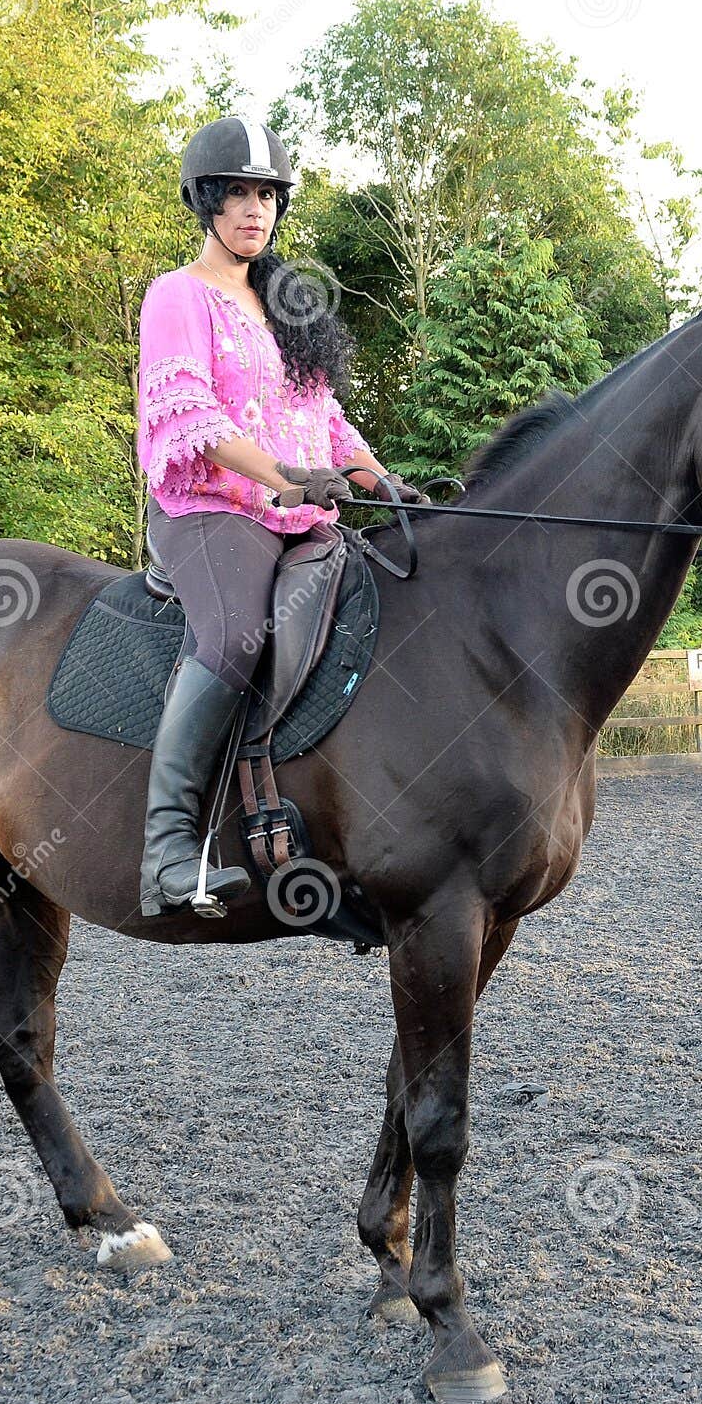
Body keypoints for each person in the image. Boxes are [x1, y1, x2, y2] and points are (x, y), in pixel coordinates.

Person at [135, 115, 422, 920]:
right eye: (237, 194)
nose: (253, 210)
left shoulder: (282, 300)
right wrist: (284, 477)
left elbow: (326, 421)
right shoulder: (177, 297)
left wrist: (383, 482)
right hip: (212, 511)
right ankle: (165, 853)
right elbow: (189, 412)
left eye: (265, 195)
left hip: (300, 519)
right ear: (205, 202)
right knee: (232, 637)